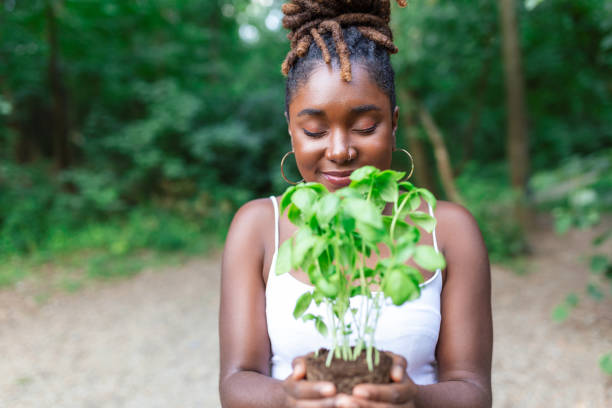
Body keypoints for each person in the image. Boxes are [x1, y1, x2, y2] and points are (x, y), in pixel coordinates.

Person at [219, 1, 492, 407]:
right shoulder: (258, 226)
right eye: (314, 130)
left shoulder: (449, 230)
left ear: (394, 123)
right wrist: (287, 400)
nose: (340, 150)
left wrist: (414, 398)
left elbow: (473, 389)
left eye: (365, 127)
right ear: (291, 129)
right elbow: (235, 381)